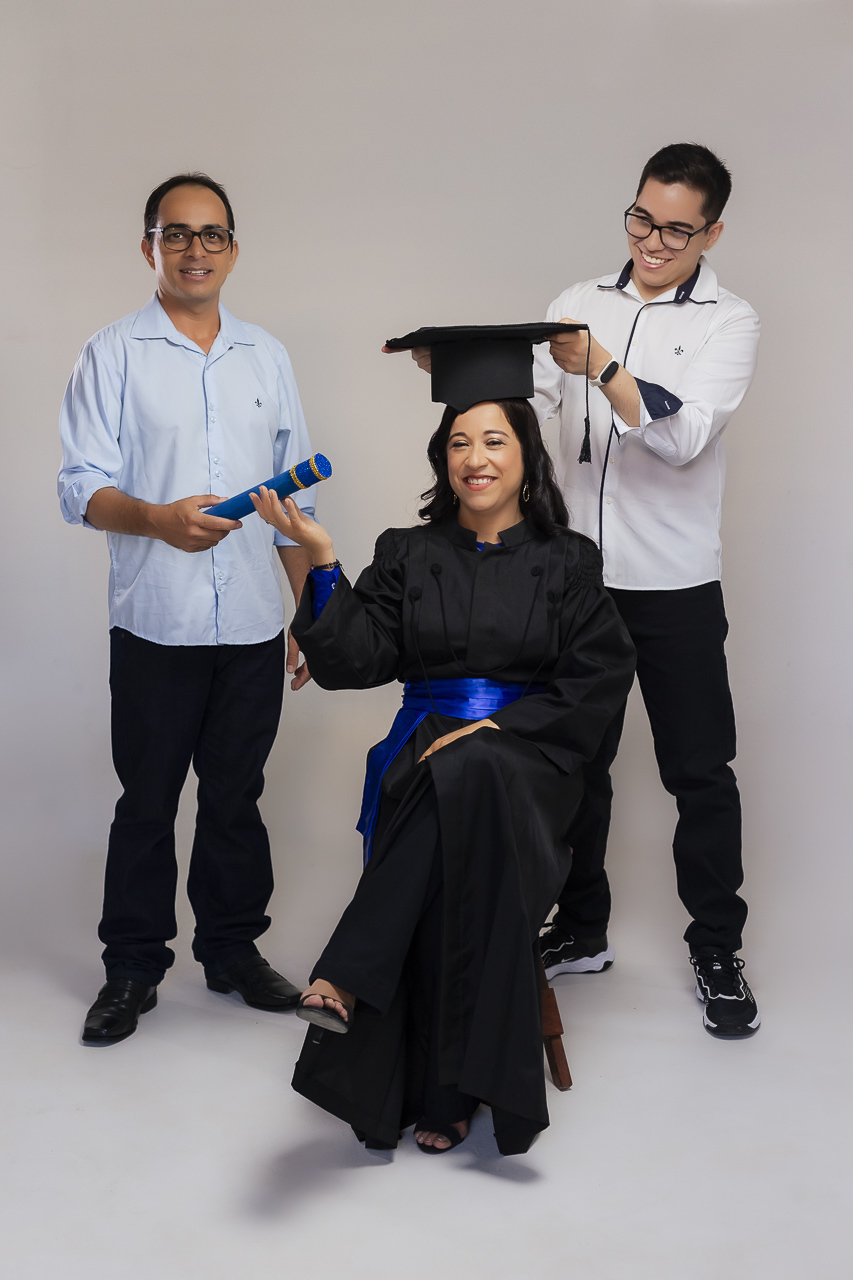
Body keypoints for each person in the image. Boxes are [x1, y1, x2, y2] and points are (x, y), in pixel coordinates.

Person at [400, 145, 762, 1040]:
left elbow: (681, 437)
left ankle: (717, 947)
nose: (652, 241)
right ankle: (584, 925)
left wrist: (599, 367)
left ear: (711, 232)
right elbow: (523, 409)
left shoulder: (729, 321)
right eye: (641, 218)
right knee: (573, 763)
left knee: (698, 770)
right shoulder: (576, 302)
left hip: (672, 584)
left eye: (675, 229)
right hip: (570, 580)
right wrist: (456, 370)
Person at [252, 326, 635, 1155]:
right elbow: (356, 660)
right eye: (459, 442)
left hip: (530, 764)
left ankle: (344, 977)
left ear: (525, 455)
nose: (475, 458)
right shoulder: (408, 553)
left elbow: (598, 679)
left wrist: (499, 727)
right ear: (442, 458)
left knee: (473, 760)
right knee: (448, 769)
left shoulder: (568, 562)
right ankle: (447, 1094)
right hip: (423, 756)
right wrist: (322, 562)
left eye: (493, 440)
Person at [58, 172, 316, 1044]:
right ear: (149, 247)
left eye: (212, 235)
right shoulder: (111, 353)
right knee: (147, 801)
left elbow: (293, 500)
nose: (194, 250)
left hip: (250, 624)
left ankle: (232, 951)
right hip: (155, 623)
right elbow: (80, 487)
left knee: (236, 797)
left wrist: (309, 613)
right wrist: (158, 522)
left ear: (233, 251)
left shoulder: (265, 356)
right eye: (176, 234)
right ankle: (132, 967)